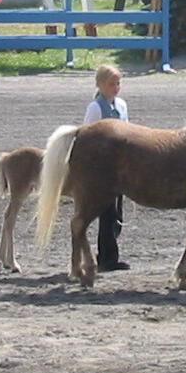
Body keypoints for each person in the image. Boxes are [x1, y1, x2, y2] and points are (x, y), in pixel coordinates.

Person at [82, 64, 131, 272]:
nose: (116, 87)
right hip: (103, 168)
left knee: (117, 213)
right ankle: (107, 257)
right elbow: (87, 135)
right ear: (100, 85)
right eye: (111, 83)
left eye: (117, 83)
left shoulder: (121, 105)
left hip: (120, 167)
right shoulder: (95, 108)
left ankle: (110, 254)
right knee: (108, 212)